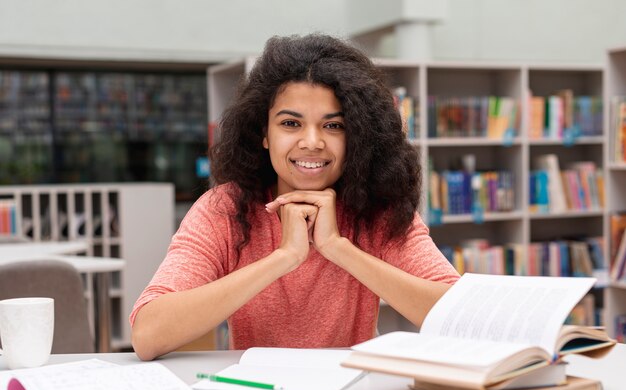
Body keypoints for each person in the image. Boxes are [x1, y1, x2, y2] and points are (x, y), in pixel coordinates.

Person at [130, 33, 460, 361]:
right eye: (291, 123)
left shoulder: (379, 209)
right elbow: (147, 335)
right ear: (264, 133)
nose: (312, 142)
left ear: (358, 136)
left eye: (333, 126)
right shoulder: (226, 208)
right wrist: (284, 256)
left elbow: (460, 317)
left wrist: (337, 247)